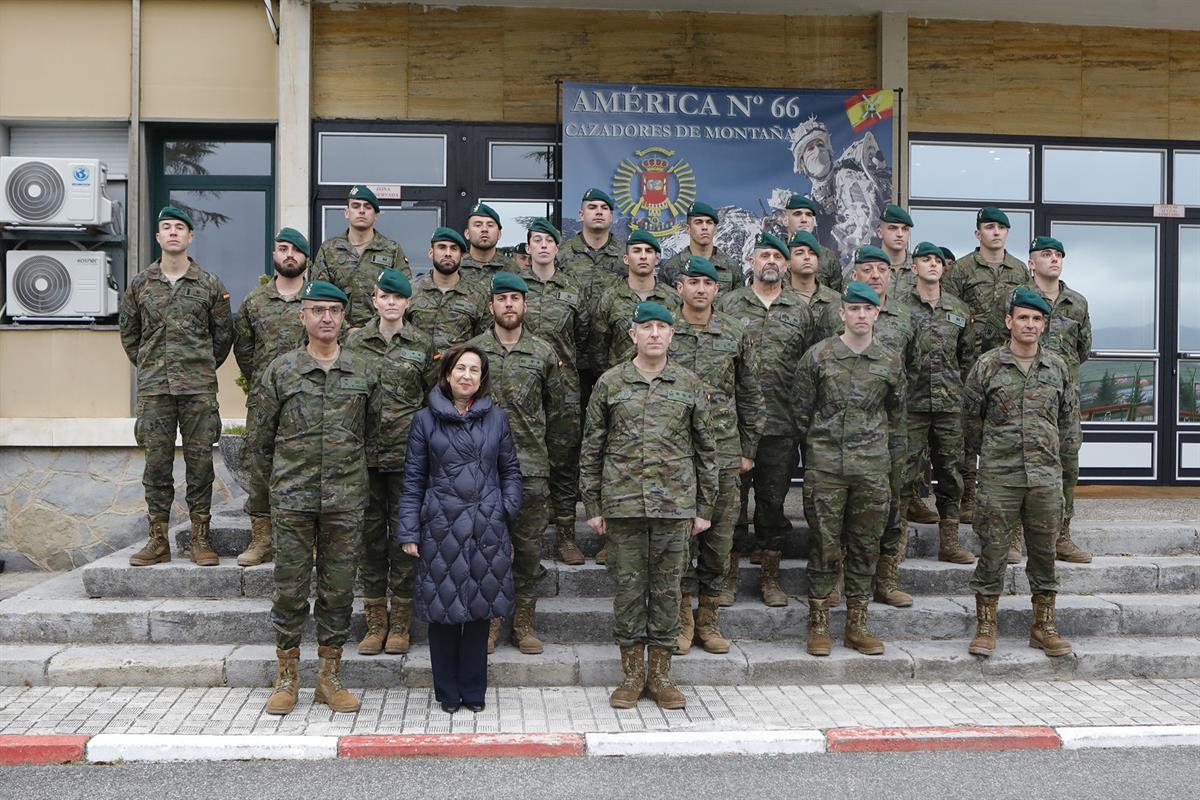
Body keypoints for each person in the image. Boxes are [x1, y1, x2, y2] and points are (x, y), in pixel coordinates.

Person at [580, 301, 718, 710]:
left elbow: (706, 450)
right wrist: (592, 504)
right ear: (633, 335)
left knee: (667, 592)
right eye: (647, 327)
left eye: (662, 327)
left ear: (672, 335)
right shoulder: (610, 383)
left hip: (675, 507)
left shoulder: (689, 384)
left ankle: (659, 676)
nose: (655, 333)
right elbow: (592, 447)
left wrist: (704, 507)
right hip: (622, 506)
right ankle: (631, 676)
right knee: (627, 592)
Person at [252, 280, 378, 716]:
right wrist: (264, 503)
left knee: (338, 590)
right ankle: (287, 676)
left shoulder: (363, 371)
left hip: (346, 499)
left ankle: (329, 676)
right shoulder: (280, 371)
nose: (327, 317)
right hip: (293, 497)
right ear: (302, 316)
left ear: (344, 318)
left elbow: (375, 436)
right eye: (318, 310)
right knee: (289, 589)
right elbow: (259, 442)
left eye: (335, 311)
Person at [398, 343, 521, 714]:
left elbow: (511, 471)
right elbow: (413, 479)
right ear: (447, 374)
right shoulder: (425, 420)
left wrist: (503, 508)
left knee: (480, 611)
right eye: (460, 368)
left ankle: (474, 690)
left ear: (481, 379)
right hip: (441, 525)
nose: (466, 376)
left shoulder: (496, 418)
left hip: (486, 526)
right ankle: (447, 693)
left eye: (474, 370)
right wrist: (409, 531)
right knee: (443, 611)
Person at [964, 287, 1079, 659]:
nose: (1029, 324)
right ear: (1009, 322)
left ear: (1044, 325)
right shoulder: (987, 366)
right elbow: (970, 421)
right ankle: (986, 626)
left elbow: (1068, 423)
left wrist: (1059, 465)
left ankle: (1043, 626)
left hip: (1045, 477)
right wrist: (994, 454)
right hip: (1000, 476)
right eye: (1023, 318)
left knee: (1044, 552)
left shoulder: (1057, 367)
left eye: (1036, 319)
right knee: (993, 550)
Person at [795, 281, 905, 657]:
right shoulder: (818, 357)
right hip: (826, 467)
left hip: (872, 469)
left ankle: (857, 624)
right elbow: (801, 413)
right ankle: (820, 622)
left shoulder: (889, 361)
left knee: (864, 546)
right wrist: (816, 452)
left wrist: (893, 474)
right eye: (853, 309)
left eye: (867, 309)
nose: (860, 315)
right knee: (824, 544)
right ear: (841, 313)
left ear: (877, 313)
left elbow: (897, 420)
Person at [119, 206, 233, 568]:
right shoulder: (139, 284)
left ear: (190, 237)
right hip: (155, 390)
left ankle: (201, 538)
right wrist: (154, 365)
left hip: (198, 389)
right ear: (157, 237)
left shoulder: (209, 284)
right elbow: (130, 335)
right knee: (157, 465)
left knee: (200, 464)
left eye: (179, 228)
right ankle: (158, 540)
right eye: (165, 227)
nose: (172, 233)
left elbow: (223, 337)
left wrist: (197, 365)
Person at [469, 271, 569, 655]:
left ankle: (524, 622)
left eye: (515, 298)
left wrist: (552, 463)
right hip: (480, 470)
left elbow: (559, 414)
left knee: (527, 550)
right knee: (486, 548)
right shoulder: (473, 353)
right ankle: (491, 621)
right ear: (491, 305)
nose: (509, 304)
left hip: (530, 467)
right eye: (502, 298)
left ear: (526, 305)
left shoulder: (543, 353)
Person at [669, 257, 763, 648]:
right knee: (678, 541)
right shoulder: (663, 330)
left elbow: (750, 392)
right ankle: (680, 618)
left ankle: (708, 619)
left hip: (723, 452)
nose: (701, 289)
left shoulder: (734, 331)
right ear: (680, 287)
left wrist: (748, 449)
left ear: (717, 289)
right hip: (675, 455)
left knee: (719, 539)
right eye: (693, 282)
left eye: (707, 283)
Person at [715, 232, 812, 607]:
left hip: (781, 426)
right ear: (751, 262)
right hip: (735, 426)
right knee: (732, 507)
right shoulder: (729, 305)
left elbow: (808, 369)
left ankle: (771, 578)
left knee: (772, 505)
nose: (770, 261)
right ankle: (727, 577)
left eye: (777, 255)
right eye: (763, 255)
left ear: (786, 265)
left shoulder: (800, 311)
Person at [346, 268, 434, 656]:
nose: (392, 303)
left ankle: (400, 624)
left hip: (406, 459)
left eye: (399, 298)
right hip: (362, 458)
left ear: (408, 303)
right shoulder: (354, 344)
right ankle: (374, 621)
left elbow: (433, 401)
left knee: (405, 538)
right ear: (374, 299)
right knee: (369, 539)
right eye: (385, 296)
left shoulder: (421, 343)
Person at [944, 207, 1031, 525]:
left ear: (1008, 233)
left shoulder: (1020, 271)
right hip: (970, 363)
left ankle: (1000, 497)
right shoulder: (963, 269)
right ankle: (968, 497)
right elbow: (948, 313)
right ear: (978, 233)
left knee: (1005, 430)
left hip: (1007, 365)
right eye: (989, 227)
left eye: (1001, 227)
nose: (995, 232)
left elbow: (1027, 315)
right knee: (968, 432)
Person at [842, 245, 917, 608]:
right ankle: (842, 578)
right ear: (855, 273)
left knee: (892, 506)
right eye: (867, 269)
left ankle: (886, 580)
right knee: (843, 510)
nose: (875, 275)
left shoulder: (904, 315)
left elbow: (911, 369)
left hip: (891, 431)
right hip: (841, 434)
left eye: (881, 269)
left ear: (891, 274)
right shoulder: (835, 315)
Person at [232, 227, 311, 566]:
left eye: (295, 249)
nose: (288, 254)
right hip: (265, 401)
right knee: (260, 466)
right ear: (274, 256)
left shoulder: (317, 300)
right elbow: (244, 348)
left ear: (306, 258)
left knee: (311, 465)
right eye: (282, 248)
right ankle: (262, 539)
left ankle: (311, 540)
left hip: (309, 400)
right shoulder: (255, 301)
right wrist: (262, 383)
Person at [894, 242, 976, 564]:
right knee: (903, 473)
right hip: (911, 405)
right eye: (925, 260)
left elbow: (967, 358)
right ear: (913, 268)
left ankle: (950, 543)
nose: (932, 264)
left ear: (944, 268)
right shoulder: (898, 308)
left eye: (937, 261)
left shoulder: (959, 309)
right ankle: (896, 543)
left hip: (948, 405)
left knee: (951, 473)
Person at [520, 219, 589, 565]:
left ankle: (565, 535)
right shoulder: (515, 288)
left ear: (557, 248)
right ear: (528, 247)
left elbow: (586, 339)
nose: (543, 246)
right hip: (522, 387)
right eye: (537, 240)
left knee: (564, 461)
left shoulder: (573, 288)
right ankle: (524, 530)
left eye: (549, 240)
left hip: (564, 388)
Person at [1025, 235, 1092, 563]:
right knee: (1017, 463)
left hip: (1065, 400)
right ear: (1031, 262)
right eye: (1046, 254)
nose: (1054, 259)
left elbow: (1083, 350)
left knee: (1067, 465)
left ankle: (1061, 536)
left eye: (1059, 255)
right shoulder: (1018, 299)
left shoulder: (1077, 303)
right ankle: (1014, 537)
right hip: (1025, 397)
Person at [557, 188, 625, 414]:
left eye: (604, 208)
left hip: (614, 354)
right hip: (571, 355)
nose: (599, 212)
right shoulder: (563, 254)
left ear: (612, 217)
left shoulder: (625, 256)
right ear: (580, 214)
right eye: (592, 207)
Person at [313, 185, 411, 330]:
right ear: (347, 212)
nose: (361, 211)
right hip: (337, 336)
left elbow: (403, 293)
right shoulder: (329, 249)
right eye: (355, 206)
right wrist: (347, 330)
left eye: (367, 207)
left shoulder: (391, 250)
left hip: (379, 336)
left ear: (376, 215)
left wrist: (372, 330)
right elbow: (320, 294)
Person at [593, 229, 681, 373]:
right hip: (621, 383)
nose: (643, 256)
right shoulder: (610, 298)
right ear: (626, 259)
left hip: (665, 382)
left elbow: (680, 342)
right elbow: (598, 348)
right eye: (637, 251)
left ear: (657, 259)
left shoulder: (673, 298)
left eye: (648, 251)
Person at [406, 227, 490, 358]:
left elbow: (485, 340)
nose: (448, 253)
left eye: (454, 248)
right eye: (442, 247)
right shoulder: (411, 290)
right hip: (416, 370)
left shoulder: (478, 295)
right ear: (430, 252)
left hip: (457, 372)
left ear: (462, 257)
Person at [658, 201, 746, 292]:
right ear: (688, 229)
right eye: (698, 222)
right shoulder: (670, 267)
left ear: (715, 229)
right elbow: (663, 303)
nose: (704, 227)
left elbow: (739, 302)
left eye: (709, 222)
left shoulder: (732, 268)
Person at [787, 229, 842, 343]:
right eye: (799, 252)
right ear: (788, 262)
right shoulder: (776, 299)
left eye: (812, 253)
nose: (807, 257)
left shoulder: (837, 301)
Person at [782, 194, 845, 293]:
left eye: (809, 215)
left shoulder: (827, 256)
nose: (804, 220)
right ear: (785, 221)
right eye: (797, 214)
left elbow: (837, 297)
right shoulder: (775, 258)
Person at [460, 201, 517, 283]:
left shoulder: (513, 270)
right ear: (467, 234)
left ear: (499, 234)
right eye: (478, 225)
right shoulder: (455, 267)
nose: (484, 229)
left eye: (490, 225)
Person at [878, 204, 916, 296]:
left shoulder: (920, 267)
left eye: (905, 229)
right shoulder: (865, 268)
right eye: (893, 228)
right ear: (880, 233)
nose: (900, 234)